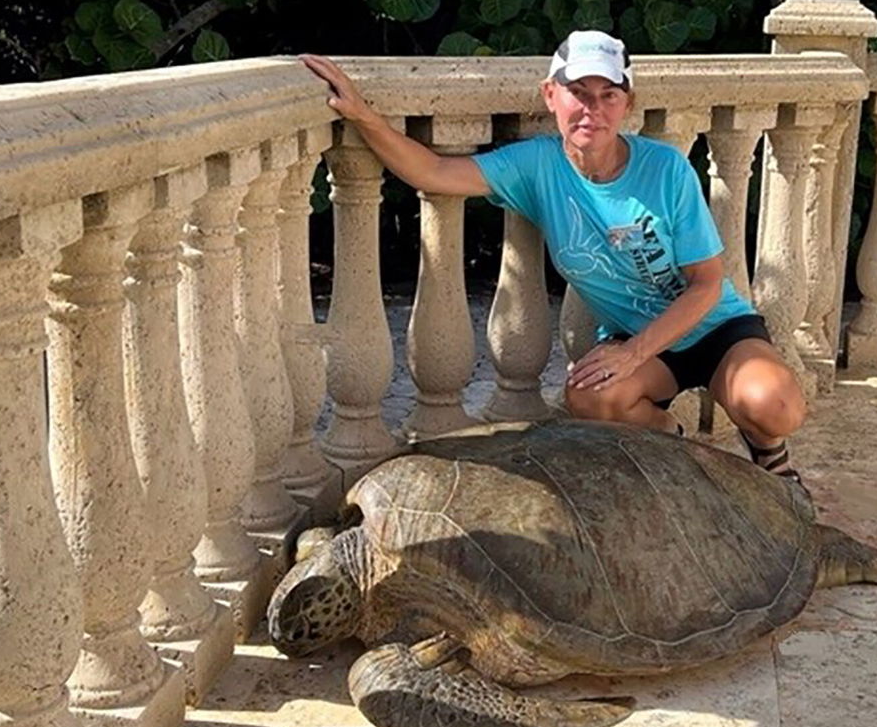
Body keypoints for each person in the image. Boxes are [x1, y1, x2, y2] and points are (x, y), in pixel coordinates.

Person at [300, 30, 807, 482]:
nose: (593, 109)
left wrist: (635, 353)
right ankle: (678, 449)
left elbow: (706, 284)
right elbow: (433, 172)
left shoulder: (665, 169)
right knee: (588, 400)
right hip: (637, 339)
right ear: (551, 95)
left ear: (626, 104)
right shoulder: (537, 166)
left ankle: (771, 460)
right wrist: (364, 115)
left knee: (775, 405)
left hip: (713, 327)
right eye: (578, 94)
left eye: (608, 95)